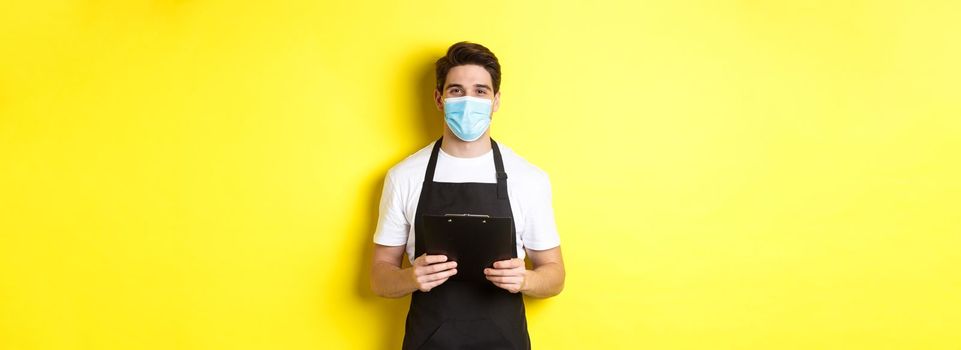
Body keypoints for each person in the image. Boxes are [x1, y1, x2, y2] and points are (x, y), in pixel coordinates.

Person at [370, 41, 565, 350]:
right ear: (439, 98)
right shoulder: (404, 176)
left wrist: (526, 280)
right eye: (457, 91)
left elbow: (555, 276)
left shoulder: (529, 178)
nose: (468, 100)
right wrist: (410, 279)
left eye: (480, 91)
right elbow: (380, 275)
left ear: (496, 100)